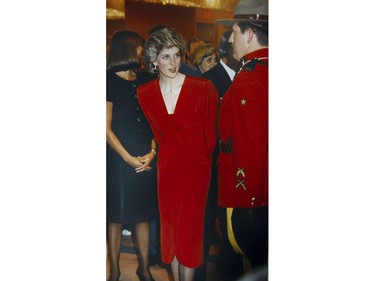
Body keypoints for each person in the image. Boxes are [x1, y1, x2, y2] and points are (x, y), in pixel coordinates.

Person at [137, 26, 218, 281]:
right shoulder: (145, 94)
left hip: (196, 171)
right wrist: (154, 152)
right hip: (167, 170)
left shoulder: (203, 88)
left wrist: (201, 162)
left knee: (190, 232)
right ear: (153, 60)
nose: (173, 62)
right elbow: (156, 135)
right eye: (165, 57)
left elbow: (211, 137)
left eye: (176, 55)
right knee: (169, 230)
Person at [216, 0, 269, 277]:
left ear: (249, 34)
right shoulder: (261, 68)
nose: (230, 38)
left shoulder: (251, 78)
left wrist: (243, 200)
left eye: (234, 31)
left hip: (249, 196)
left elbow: (250, 144)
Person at [106, 29, 158, 281]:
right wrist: (127, 158)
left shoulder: (146, 79)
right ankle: (114, 269)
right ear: (126, 48)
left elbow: (154, 122)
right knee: (115, 216)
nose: (143, 51)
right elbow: (104, 128)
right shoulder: (106, 80)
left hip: (145, 156)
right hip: (118, 159)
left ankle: (144, 268)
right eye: (139, 46)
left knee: (143, 214)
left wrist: (152, 152)